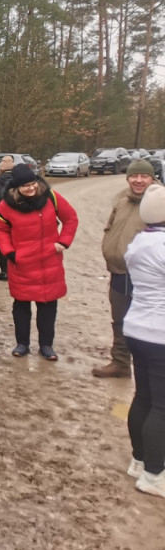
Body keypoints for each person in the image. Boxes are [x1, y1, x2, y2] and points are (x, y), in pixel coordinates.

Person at [0, 164, 78, 360]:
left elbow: (71, 218)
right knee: (21, 307)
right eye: (25, 186)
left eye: (33, 183)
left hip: (50, 262)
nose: (31, 188)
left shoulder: (51, 197)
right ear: (16, 187)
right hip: (21, 264)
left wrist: (64, 242)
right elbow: (0, 230)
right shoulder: (6, 206)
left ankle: (46, 345)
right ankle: (22, 343)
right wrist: (9, 253)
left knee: (48, 307)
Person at [93, 159, 157, 378]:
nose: (138, 181)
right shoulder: (123, 200)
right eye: (134, 176)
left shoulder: (159, 202)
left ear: (152, 178)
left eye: (144, 176)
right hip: (118, 271)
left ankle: (149, 368)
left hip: (143, 275)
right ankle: (120, 362)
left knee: (146, 322)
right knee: (119, 319)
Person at [122, 183, 165, 498]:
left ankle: (139, 460)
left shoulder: (139, 242)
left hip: (136, 329)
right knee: (162, 407)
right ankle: (154, 474)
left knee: (144, 398)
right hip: (160, 334)